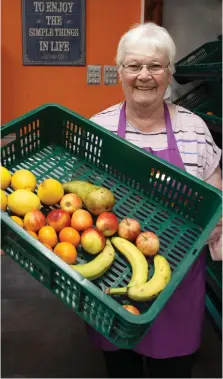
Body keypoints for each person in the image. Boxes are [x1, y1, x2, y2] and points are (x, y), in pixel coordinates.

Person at [87, 22, 222, 378]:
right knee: (121, 367)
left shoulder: (194, 129)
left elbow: (216, 196)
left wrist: (215, 226)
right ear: (120, 72)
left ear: (170, 73)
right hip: (114, 278)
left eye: (156, 66)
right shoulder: (97, 128)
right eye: (133, 66)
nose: (144, 76)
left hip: (178, 279)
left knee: (174, 370)